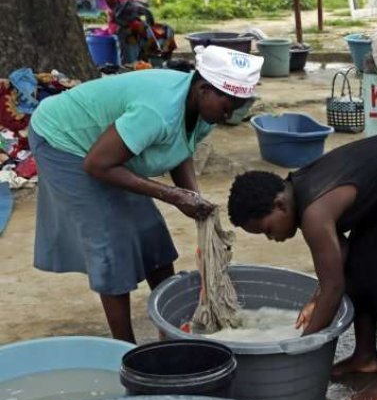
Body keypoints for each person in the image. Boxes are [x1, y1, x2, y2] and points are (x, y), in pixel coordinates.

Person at [28, 45, 263, 343]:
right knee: (110, 241)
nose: (230, 114)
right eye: (228, 106)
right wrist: (174, 196)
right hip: (65, 141)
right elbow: (98, 164)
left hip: (109, 150)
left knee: (151, 235)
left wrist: (192, 196)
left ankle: (172, 331)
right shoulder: (158, 110)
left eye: (237, 107)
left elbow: (181, 149)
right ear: (204, 88)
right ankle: (125, 348)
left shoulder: (203, 110)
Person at [227, 132, 377, 400]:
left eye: (268, 230)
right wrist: (316, 299)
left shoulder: (314, 214)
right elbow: (341, 259)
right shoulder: (298, 191)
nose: (272, 238)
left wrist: (301, 348)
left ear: (279, 205)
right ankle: (364, 356)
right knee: (360, 262)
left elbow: (334, 288)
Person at [99, 0, 176, 63]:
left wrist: (132, 3)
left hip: (138, 23)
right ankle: (140, 63)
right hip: (120, 25)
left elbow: (145, 2)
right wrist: (134, 3)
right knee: (139, 29)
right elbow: (117, 10)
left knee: (166, 30)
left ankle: (161, 62)